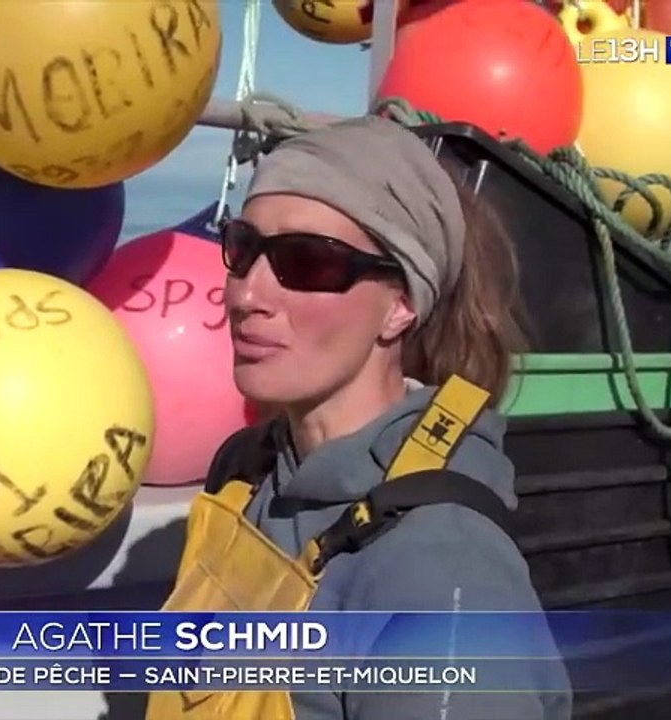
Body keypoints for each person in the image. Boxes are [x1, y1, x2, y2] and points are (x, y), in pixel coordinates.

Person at [144, 116, 572, 720]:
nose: (244, 295)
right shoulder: (249, 476)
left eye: (307, 263)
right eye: (243, 250)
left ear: (401, 305)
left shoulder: (437, 567)